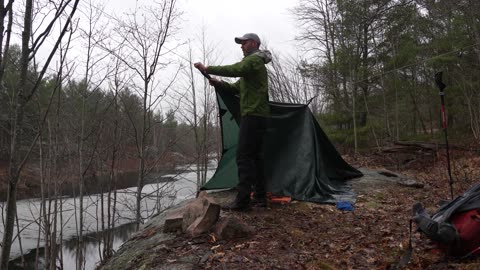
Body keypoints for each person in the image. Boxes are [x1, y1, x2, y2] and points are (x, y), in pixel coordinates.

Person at [194, 33, 272, 211]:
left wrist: (208, 68)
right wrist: (219, 83)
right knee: (256, 158)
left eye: (244, 43)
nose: (241, 46)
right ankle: (260, 198)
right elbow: (235, 87)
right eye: (241, 44)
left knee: (243, 156)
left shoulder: (254, 61)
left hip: (253, 115)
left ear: (253, 43)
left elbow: (235, 69)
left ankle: (242, 202)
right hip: (259, 116)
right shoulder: (251, 69)